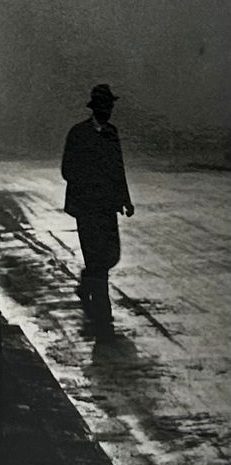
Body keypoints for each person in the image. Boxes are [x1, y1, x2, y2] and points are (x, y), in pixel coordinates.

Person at [61, 83, 134, 336]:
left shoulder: (112, 133)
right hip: (87, 207)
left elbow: (118, 168)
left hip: (107, 207)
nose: (109, 110)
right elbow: (67, 170)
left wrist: (125, 199)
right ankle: (104, 315)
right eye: (106, 106)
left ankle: (87, 282)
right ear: (97, 107)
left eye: (111, 106)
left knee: (112, 254)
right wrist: (90, 182)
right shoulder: (78, 134)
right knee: (96, 257)